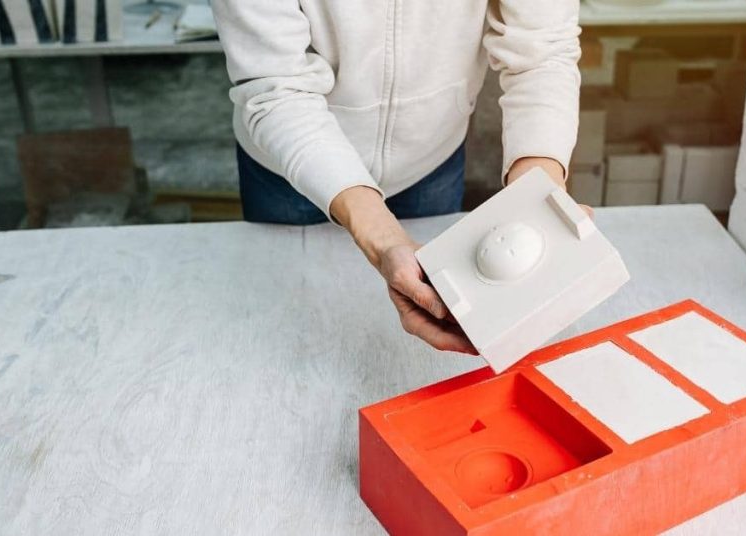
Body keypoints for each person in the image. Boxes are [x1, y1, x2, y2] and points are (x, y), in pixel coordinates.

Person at [213, 1, 582, 355]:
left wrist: (539, 185)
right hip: (294, 169)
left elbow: (542, 52)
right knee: (286, 324)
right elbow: (276, 87)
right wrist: (383, 239)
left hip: (430, 157)